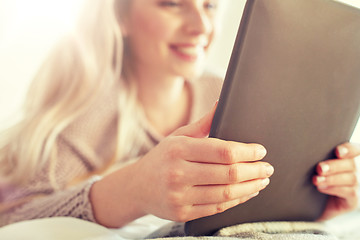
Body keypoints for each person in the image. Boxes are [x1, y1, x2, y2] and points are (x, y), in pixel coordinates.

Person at [0, 0, 358, 235]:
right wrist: (134, 188)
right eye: (172, 3)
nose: (201, 25)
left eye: (210, 5)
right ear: (121, 16)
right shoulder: (82, 118)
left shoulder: (231, 91)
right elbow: (13, 218)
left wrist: (315, 200)